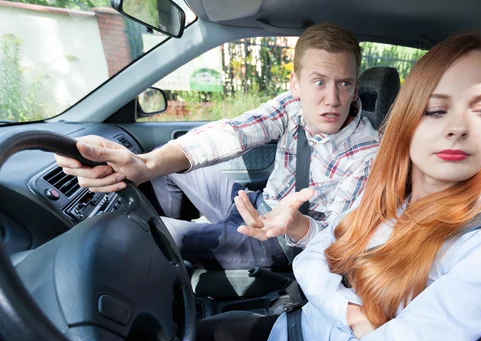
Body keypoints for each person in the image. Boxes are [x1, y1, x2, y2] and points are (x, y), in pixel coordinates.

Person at [98, 32, 481, 341]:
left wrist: (327, 294)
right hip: (291, 332)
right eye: (437, 111)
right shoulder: (391, 193)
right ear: (408, 118)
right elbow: (317, 255)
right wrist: (351, 312)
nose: (458, 128)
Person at [54, 23, 380, 270]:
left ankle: (168, 248)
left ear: (355, 89)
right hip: (254, 202)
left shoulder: (368, 152)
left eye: (344, 84)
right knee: (168, 168)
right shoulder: (291, 107)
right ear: (296, 84)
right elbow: (233, 133)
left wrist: (293, 224)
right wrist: (146, 165)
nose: (333, 99)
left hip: (280, 239)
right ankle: (174, 267)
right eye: (319, 82)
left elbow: (339, 242)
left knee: (142, 229)